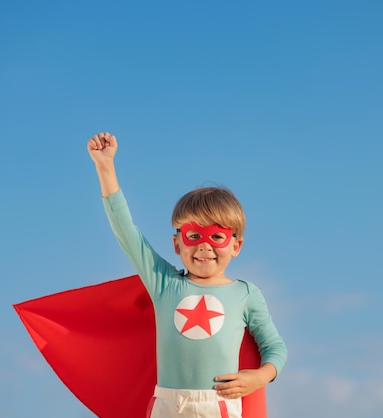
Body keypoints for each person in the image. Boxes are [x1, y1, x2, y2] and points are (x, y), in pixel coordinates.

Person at [87, 131, 287, 418]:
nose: (205, 246)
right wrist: (105, 166)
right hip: (167, 406)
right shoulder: (164, 284)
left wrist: (261, 376)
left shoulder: (245, 294)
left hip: (219, 406)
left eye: (217, 236)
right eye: (194, 235)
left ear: (236, 245)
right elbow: (126, 232)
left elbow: (275, 346)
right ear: (177, 243)